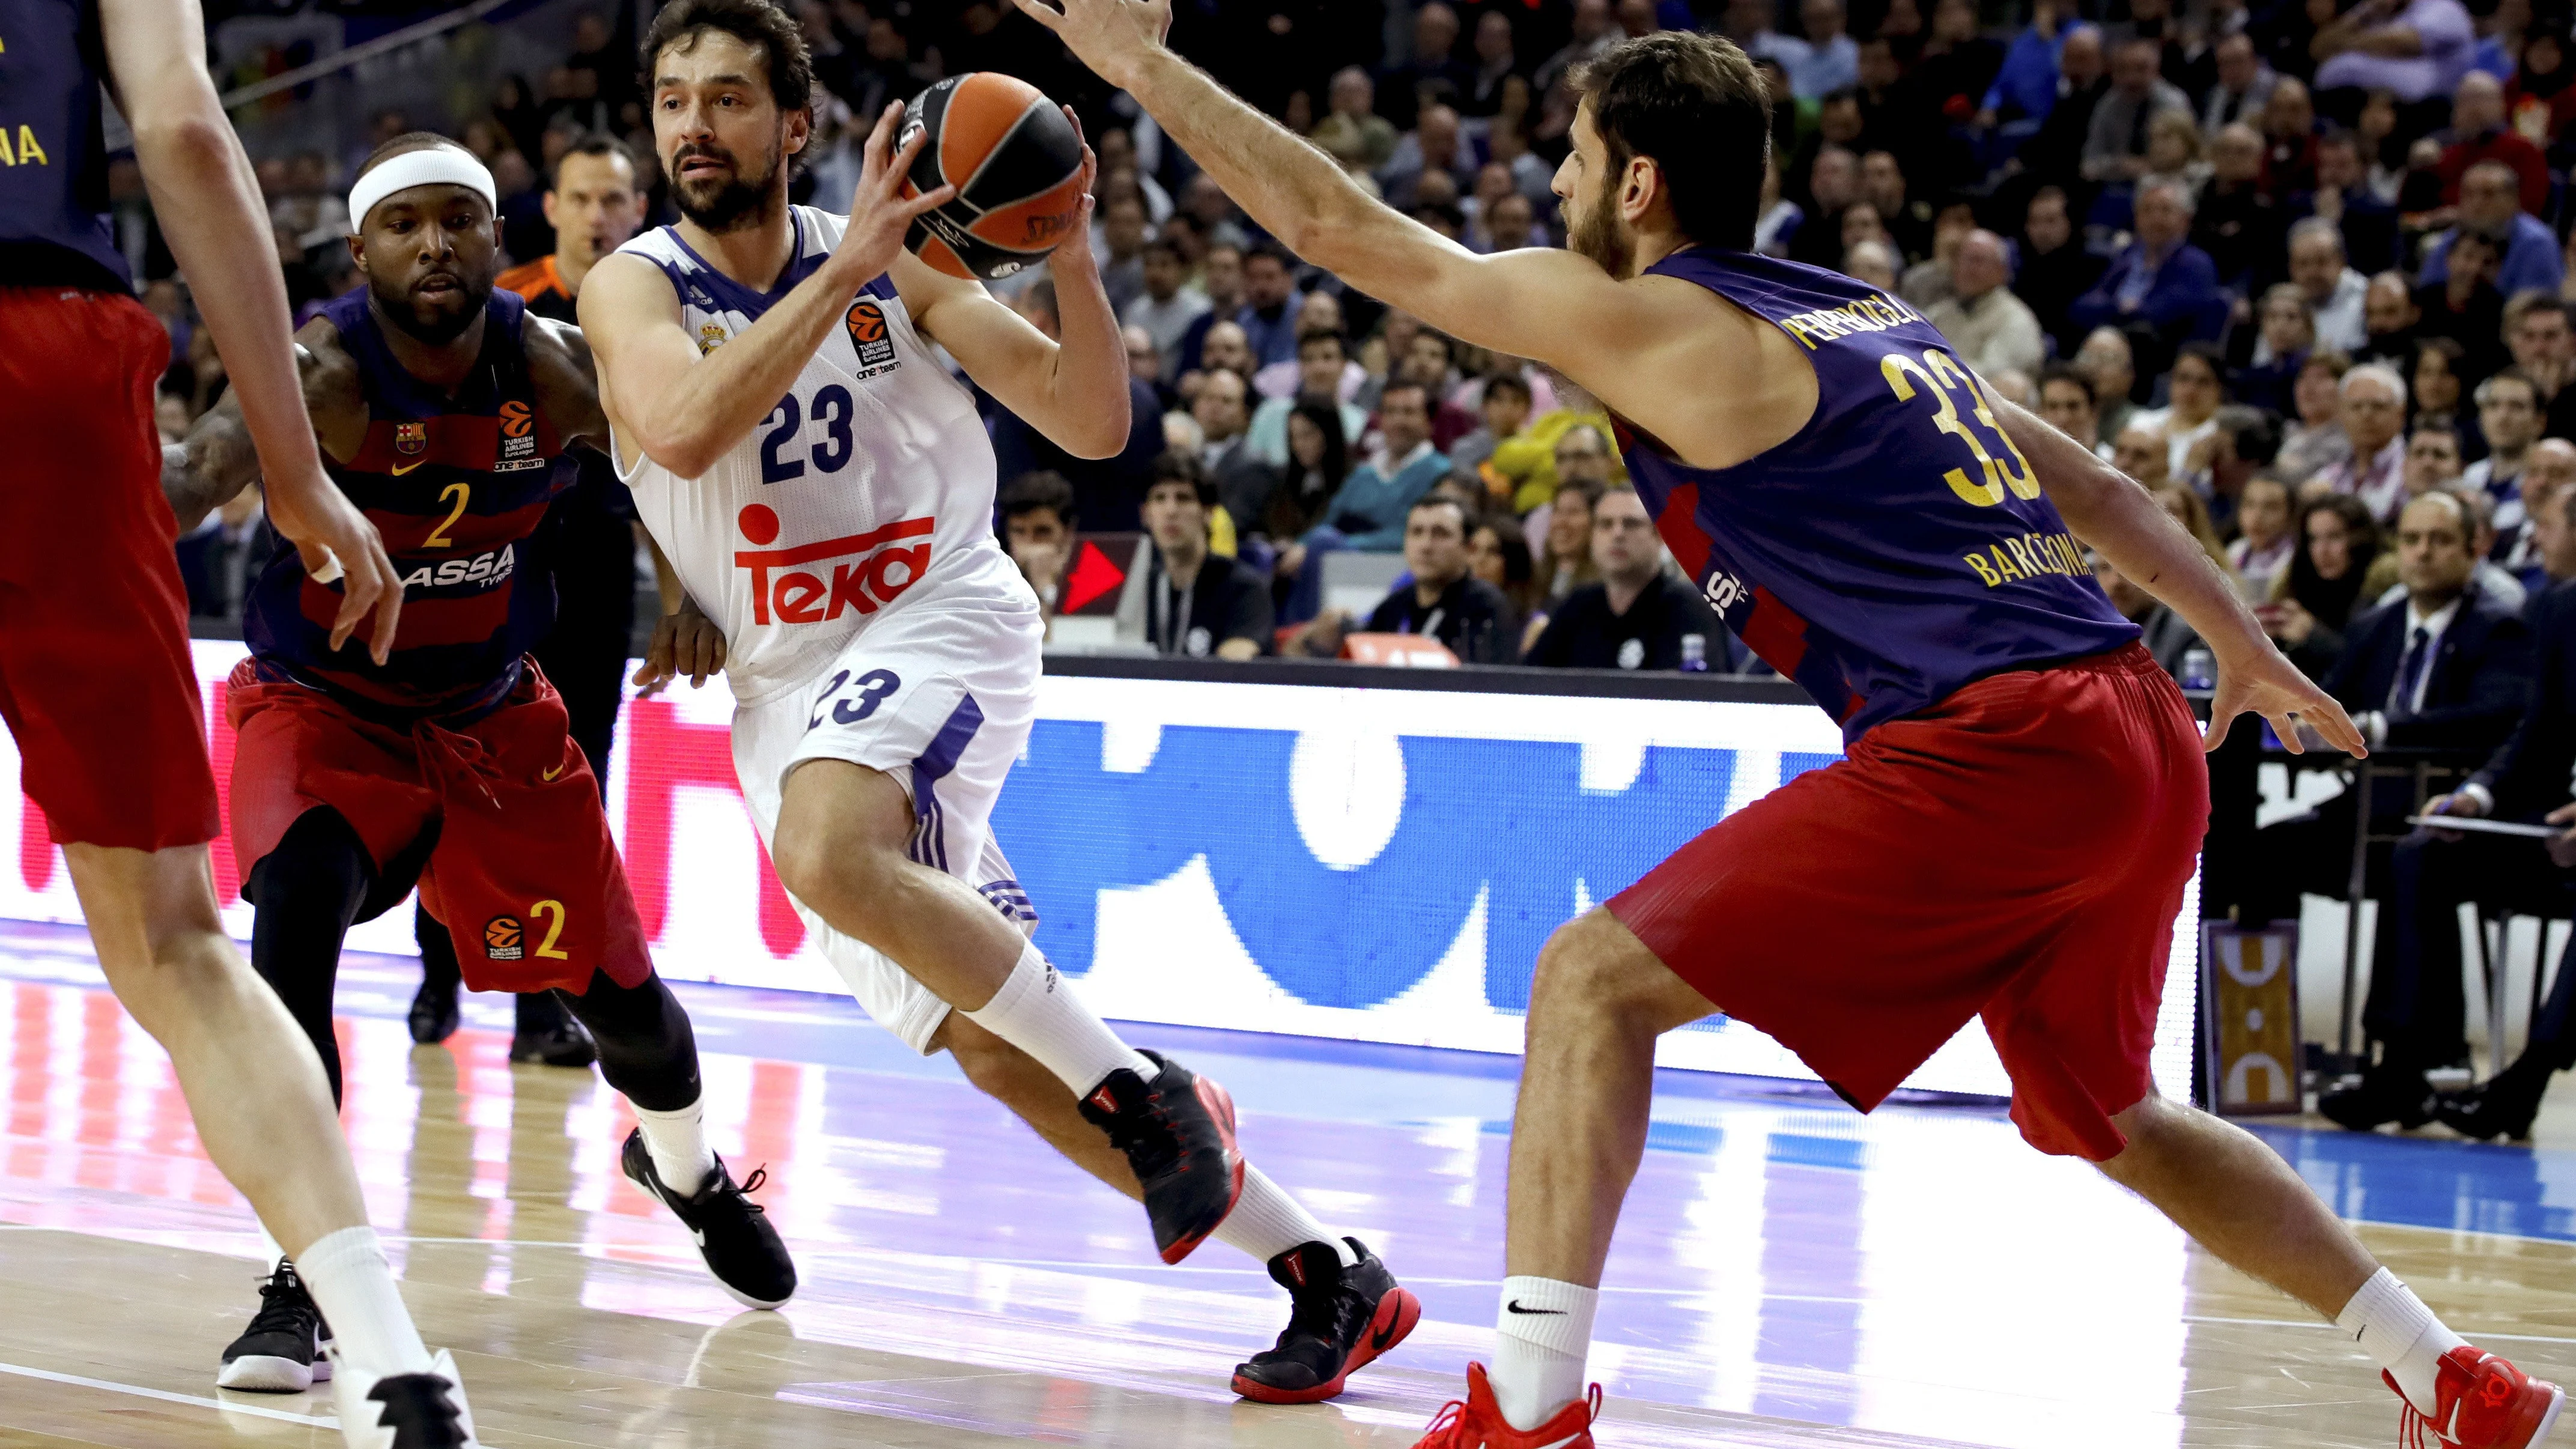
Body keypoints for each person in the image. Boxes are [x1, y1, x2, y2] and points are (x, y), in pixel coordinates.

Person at [1019, 13, 2563, 1447]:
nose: (1545, 184)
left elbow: (1345, 233)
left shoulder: (1648, 317)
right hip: (2134, 722)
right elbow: (2091, 491)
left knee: (1584, 987)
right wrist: (2234, 641)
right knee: (2111, 1110)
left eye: (1563, 157)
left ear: (1634, 178)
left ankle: (1528, 1404)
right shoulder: (1865, 313)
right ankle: (2450, 1373)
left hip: (2000, 739)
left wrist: (1139, 65)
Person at [579, 0, 1417, 1403]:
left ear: (796, 127)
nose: (691, 127)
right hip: (793, 687)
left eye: (727, 99)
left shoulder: (899, 269)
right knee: (996, 1044)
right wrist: (841, 264)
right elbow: (675, 426)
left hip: (938, 615)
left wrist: (1071, 261)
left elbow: (1089, 422)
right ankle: (1328, 1265)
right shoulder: (634, 286)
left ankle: (1157, 1099)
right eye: (672, 100)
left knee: (825, 853)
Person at [165, 131, 798, 1387]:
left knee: (625, 1009)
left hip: (494, 711)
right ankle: (306, 1277)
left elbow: (656, 456)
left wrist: (684, 585)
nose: (435, 243)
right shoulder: (320, 371)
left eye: (459, 219)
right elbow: (193, 477)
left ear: (498, 241)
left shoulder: (551, 366)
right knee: (292, 918)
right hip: (325, 704)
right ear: (361, 253)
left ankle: (683, 1169)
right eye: (405, 225)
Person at [5, 0, 481, 1439]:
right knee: (179, 944)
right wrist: (292, 464)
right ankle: (394, 1357)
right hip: (50, 370)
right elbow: (184, 130)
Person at [431, 128, 656, 1067]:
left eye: (617, 200)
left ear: (637, 212)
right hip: (499, 565)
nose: (602, 215)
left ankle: (541, 1009)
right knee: (462, 776)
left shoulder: (658, 310)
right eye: (585, 199)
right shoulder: (504, 303)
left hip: (601, 572)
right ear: (553, 209)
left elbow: (664, 460)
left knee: (580, 784)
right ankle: (439, 967)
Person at [2241, 489, 2533, 936]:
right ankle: (2262, 1001)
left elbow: (2490, 719)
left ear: (2474, 549)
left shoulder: (2500, 627)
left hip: (2448, 809)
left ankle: (2397, 1011)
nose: (2423, 552)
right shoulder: (2375, 625)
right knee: (2259, 851)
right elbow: (2328, 704)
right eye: (2412, 540)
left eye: (2440, 540)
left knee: (2414, 859)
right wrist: (2304, 723)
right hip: (2365, 806)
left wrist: (2379, 728)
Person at [2422, 530, 2576, 1141]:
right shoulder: (2560, 608)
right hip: (2552, 824)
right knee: (2424, 855)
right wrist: (2476, 793)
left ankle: (2527, 1080)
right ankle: (2414, 1060)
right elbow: (2534, 728)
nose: (2544, 539)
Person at [1524, 487, 1724, 669]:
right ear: (1592, 537)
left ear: (1660, 536)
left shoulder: (1687, 607)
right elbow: (1530, 682)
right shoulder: (1578, 605)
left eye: (1631, 524)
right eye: (1606, 524)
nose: (1617, 534)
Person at [1296, 496, 1514, 661]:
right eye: (1417, 532)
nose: (1426, 545)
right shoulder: (1393, 607)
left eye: (1440, 533)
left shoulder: (1485, 607)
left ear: (1468, 548)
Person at [1138, 451, 1272, 658]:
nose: (1171, 511)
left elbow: (1233, 666)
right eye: (1160, 498)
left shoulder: (1244, 588)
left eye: (1183, 498)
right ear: (1146, 515)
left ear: (1209, 513)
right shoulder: (1138, 589)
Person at [2261, 493, 2387, 677]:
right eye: (2313, 539)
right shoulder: (2299, 586)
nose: (2322, 550)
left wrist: (2312, 635)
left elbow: (2368, 668)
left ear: (2360, 538)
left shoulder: (2378, 593)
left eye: (2334, 537)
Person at [1924, 229, 2044, 377]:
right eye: (1963, 259)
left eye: (1978, 260)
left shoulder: (2015, 318)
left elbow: (1993, 374)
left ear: (2002, 270)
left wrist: (1932, 372)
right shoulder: (1939, 313)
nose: (1969, 268)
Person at [2315, 362, 2410, 519]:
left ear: (2401, 414)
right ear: (2341, 414)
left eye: (2378, 406)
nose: (2366, 415)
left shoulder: (2415, 472)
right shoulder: (2326, 477)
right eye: (2356, 407)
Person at [2229, 475, 2299, 599]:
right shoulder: (2234, 550)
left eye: (2271, 507)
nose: (2257, 517)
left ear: (2291, 515)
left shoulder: (2298, 558)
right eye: (2249, 504)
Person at [2037, 362, 2107, 456]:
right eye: (2053, 407)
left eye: (2073, 407)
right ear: (2039, 413)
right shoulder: (2021, 467)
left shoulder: (2114, 465)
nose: (2063, 418)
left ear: (2093, 413)